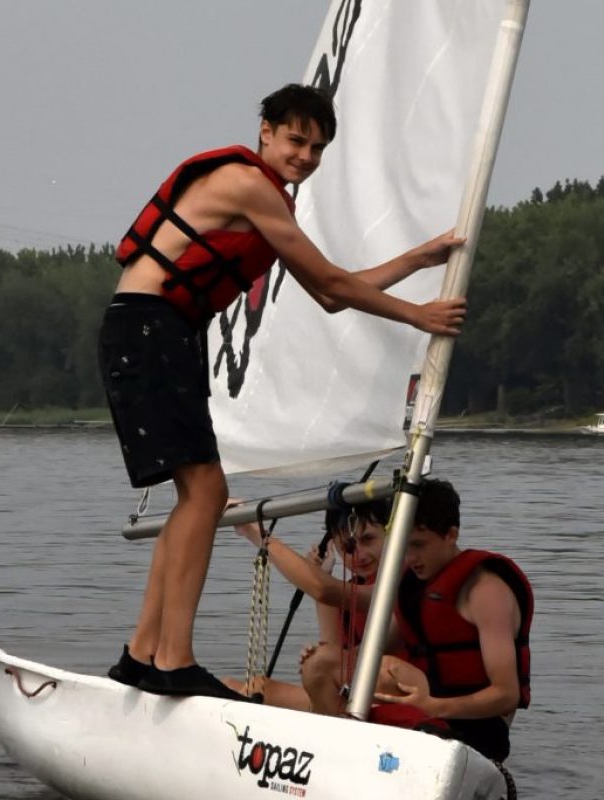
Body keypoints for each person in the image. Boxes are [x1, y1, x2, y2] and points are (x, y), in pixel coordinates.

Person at [101, 83, 468, 701]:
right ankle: (172, 660)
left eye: (318, 149)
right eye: (296, 140)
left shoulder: (267, 202)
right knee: (206, 492)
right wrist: (419, 316)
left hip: (158, 332)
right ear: (265, 131)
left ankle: (142, 655)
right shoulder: (248, 185)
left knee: (199, 494)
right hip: (149, 328)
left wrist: (419, 258)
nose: (305, 156)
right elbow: (333, 284)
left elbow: (330, 292)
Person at [369, 479, 532, 763]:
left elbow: (507, 695)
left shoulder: (486, 592)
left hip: (478, 731)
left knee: (383, 671)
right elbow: (376, 648)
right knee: (329, 664)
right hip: (426, 711)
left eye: (419, 545)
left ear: (451, 535)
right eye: (404, 546)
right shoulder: (414, 586)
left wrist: (433, 707)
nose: (411, 558)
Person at [223, 500, 392, 713]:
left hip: (384, 695)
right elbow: (333, 648)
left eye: (368, 540)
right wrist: (324, 575)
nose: (360, 554)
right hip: (352, 690)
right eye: (347, 547)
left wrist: (253, 531)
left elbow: (322, 589)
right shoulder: (351, 589)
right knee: (232, 686)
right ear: (334, 546)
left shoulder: (397, 581)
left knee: (260, 687)